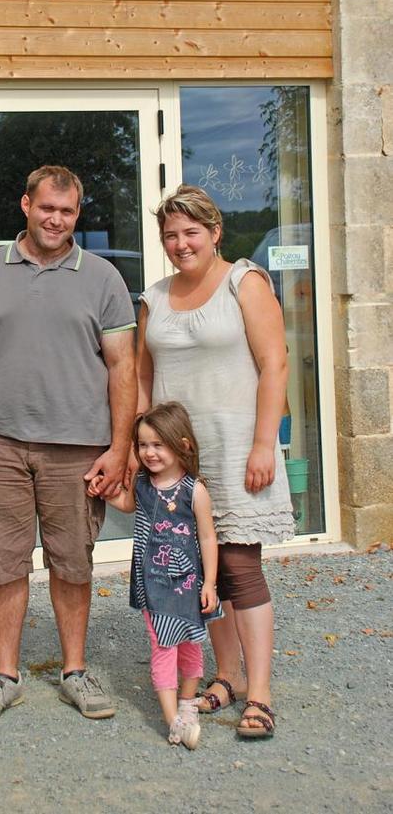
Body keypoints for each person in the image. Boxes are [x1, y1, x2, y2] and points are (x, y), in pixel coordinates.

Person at [0, 165, 137, 724]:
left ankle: (74, 670)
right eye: (47, 207)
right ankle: (6, 674)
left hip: (78, 446)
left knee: (73, 561)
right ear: (26, 204)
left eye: (67, 211)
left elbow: (124, 367)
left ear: (78, 214)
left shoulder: (102, 278)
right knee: (2, 562)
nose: (56, 219)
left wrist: (119, 448)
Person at [136, 185, 294, 740]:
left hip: (236, 448)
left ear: (215, 231)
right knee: (204, 574)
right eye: (170, 235)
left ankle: (261, 694)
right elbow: (140, 379)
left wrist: (263, 442)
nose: (181, 244)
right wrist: (141, 451)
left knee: (240, 568)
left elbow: (275, 364)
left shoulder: (244, 282)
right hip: (177, 460)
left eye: (190, 233)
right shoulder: (152, 298)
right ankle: (224, 676)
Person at [88, 402, 221, 750]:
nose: (149, 453)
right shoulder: (144, 484)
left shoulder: (195, 491)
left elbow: (208, 537)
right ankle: (171, 720)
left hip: (190, 584)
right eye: (143, 445)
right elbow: (129, 504)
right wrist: (105, 492)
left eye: (157, 445)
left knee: (190, 643)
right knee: (163, 646)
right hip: (153, 583)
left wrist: (209, 583)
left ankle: (187, 704)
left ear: (183, 445)